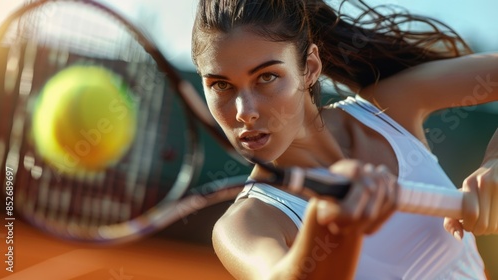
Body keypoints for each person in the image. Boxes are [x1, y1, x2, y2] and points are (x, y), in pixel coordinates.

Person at [190, 0, 498, 279]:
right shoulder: (245, 225)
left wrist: (495, 162)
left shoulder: (389, 107)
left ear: (309, 68)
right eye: (221, 85)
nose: (245, 112)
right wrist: (331, 224)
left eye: (267, 77)